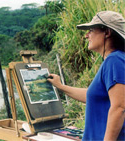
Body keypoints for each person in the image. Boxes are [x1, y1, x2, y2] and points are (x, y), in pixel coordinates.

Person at [47, 11, 125, 141]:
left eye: (91, 30)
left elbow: (119, 107)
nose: (86, 35)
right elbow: (93, 96)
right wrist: (60, 86)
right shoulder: (113, 61)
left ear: (107, 32)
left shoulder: (115, 60)